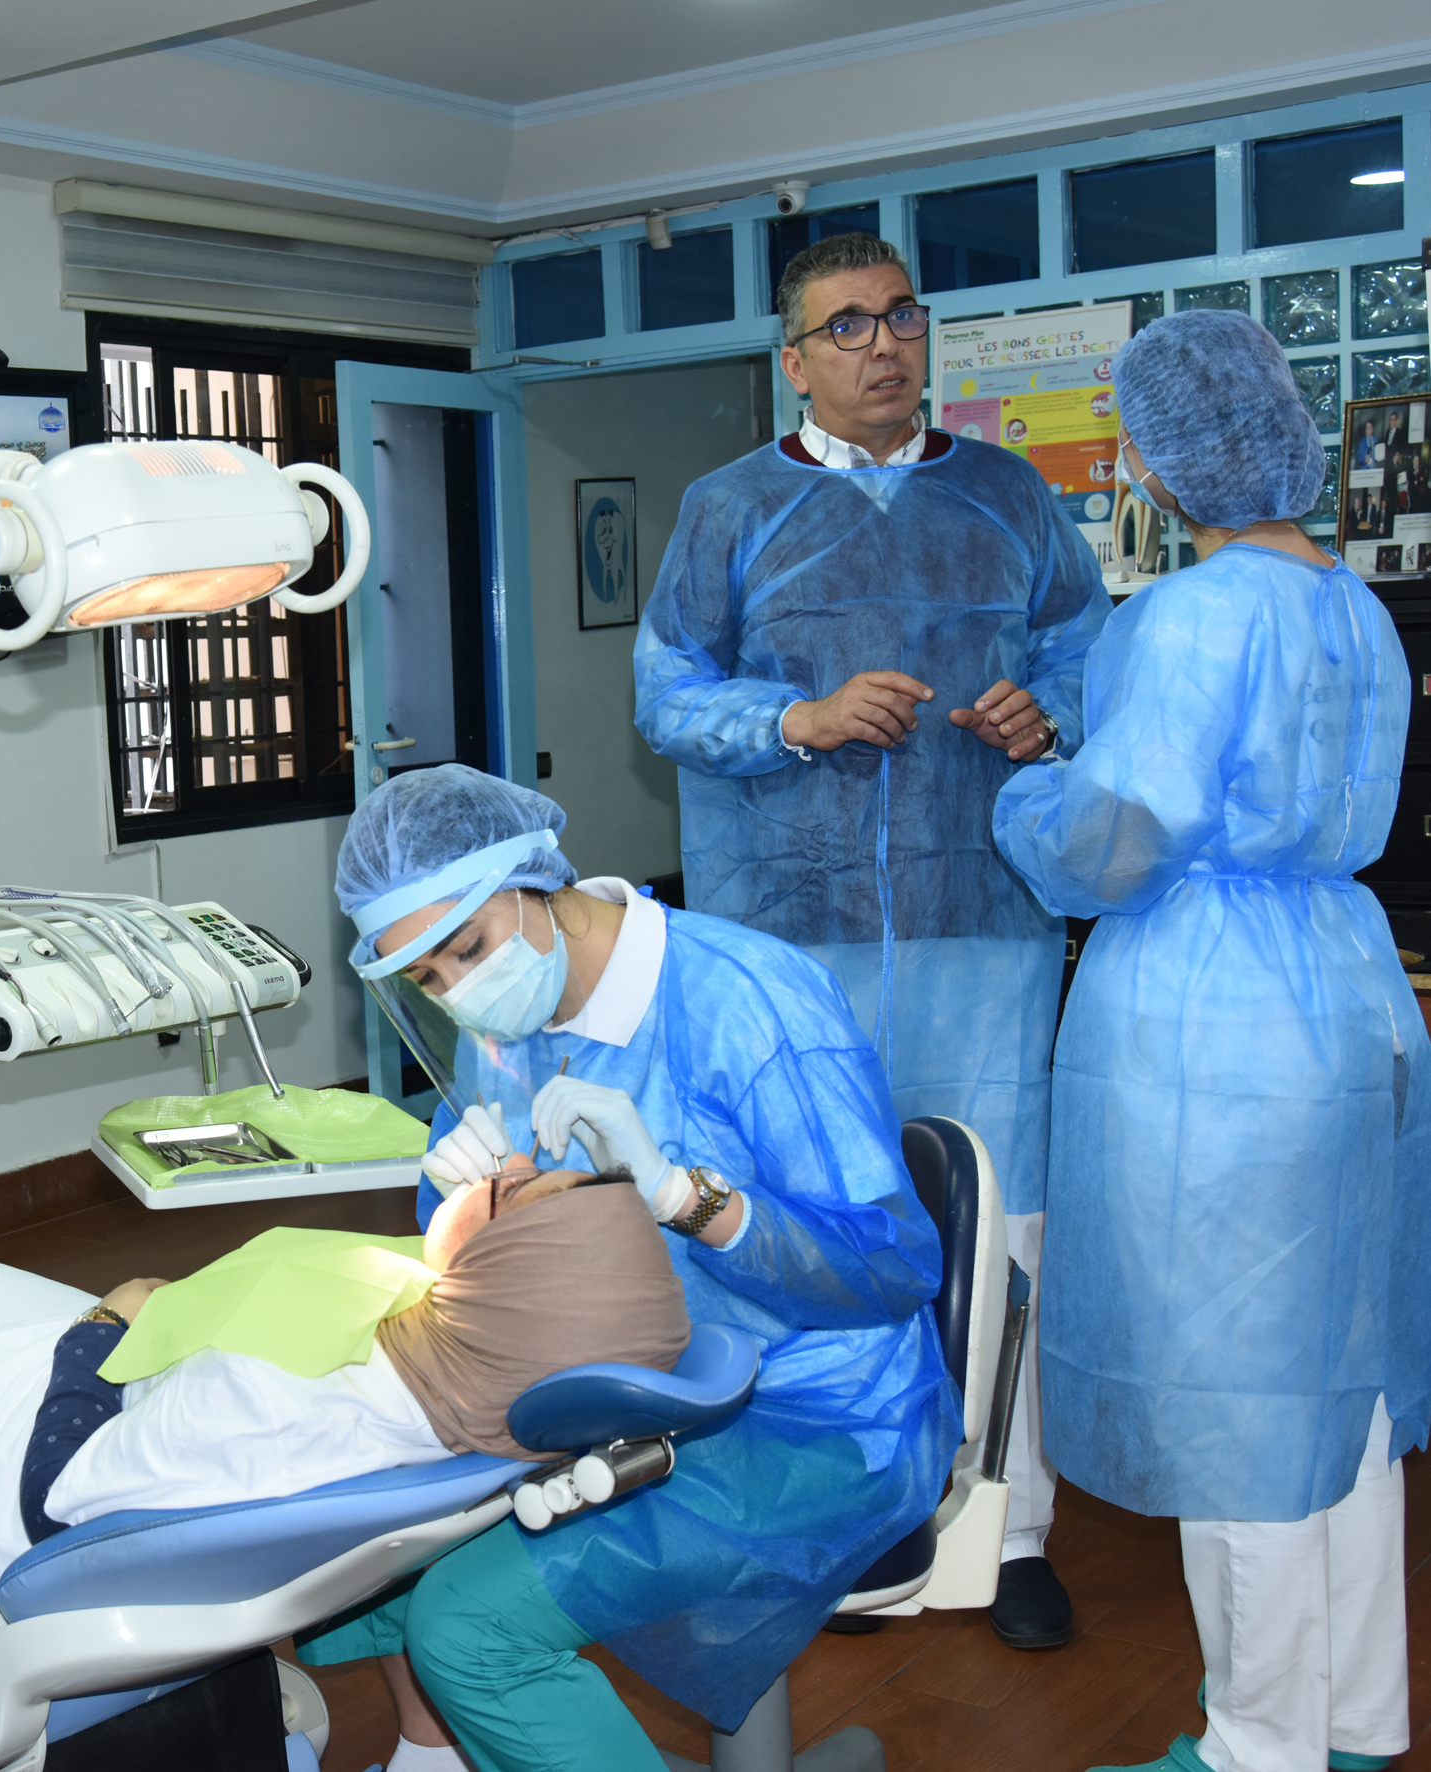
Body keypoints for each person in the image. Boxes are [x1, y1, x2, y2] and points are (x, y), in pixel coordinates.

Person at [632, 229, 1112, 1646]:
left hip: (983, 926)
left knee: (1001, 1226)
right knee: (809, 1226)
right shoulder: (729, 508)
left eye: (901, 316)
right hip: (795, 938)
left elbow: (1087, 652)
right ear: (793, 360)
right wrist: (796, 718)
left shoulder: (1009, 497)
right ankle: (833, 1522)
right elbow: (664, 690)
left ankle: (1007, 1529)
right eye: (846, 325)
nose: (883, 344)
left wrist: (1048, 713)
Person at [297, 765, 955, 1772]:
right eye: (425, 978)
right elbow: (491, 1259)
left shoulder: (749, 1001)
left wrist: (684, 1196)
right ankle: (433, 1758)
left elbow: (893, 1266)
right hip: (609, 1387)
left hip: (811, 1416)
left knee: (469, 1629)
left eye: (468, 948)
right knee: (357, 1540)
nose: (460, 989)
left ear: (536, 880)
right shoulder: (500, 1029)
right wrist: (460, 1200)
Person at [992, 308, 1429, 1772]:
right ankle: (1353, 1719)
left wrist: (1024, 799)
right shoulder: (1353, 605)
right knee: (1340, 1378)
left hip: (1215, 1020)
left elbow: (1119, 834)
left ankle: (1255, 1744)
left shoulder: (1187, 614)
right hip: (1349, 987)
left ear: (1167, 460)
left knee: (1235, 1391)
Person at [0, 1168, 688, 1579]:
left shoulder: (270, 1397)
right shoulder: (468, 1366)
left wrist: (101, 1325)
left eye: (514, 1190)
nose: (507, 1161)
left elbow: (51, 1499)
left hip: (5, 1449)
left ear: (509, 1284)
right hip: (144, 1375)